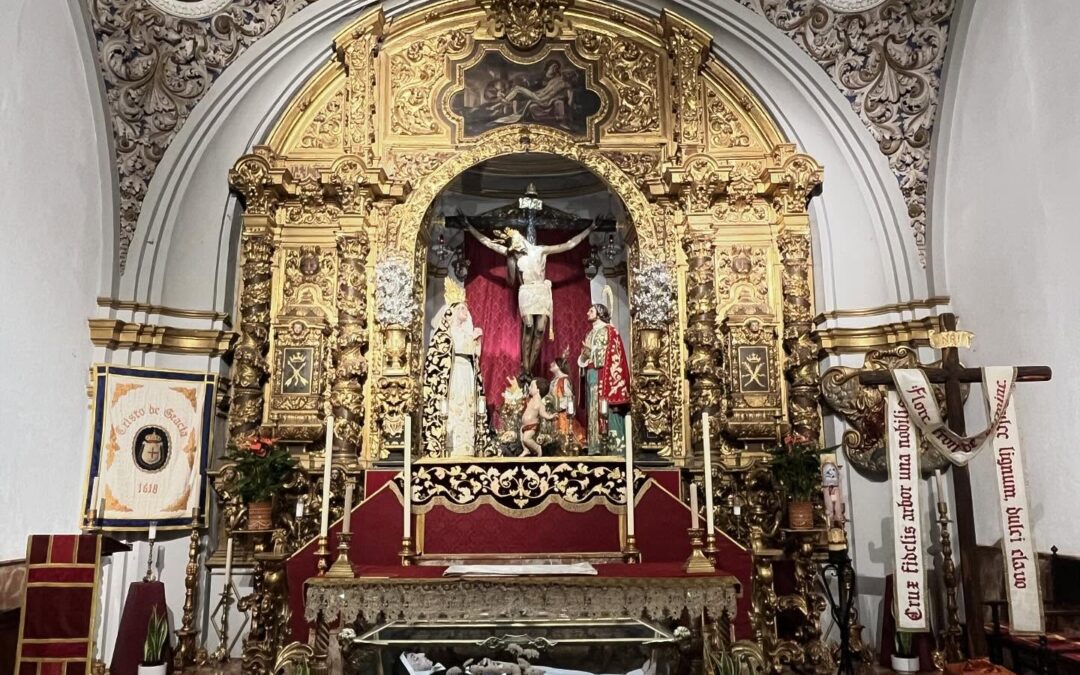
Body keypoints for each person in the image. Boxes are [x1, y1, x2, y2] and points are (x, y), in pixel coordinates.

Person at [467, 218, 596, 373]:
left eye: (515, 241)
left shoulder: (540, 250)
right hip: (526, 291)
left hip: (541, 292)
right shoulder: (515, 255)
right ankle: (526, 366)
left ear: (520, 237)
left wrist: (589, 229)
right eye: (512, 244)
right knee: (528, 326)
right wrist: (470, 228)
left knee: (540, 329)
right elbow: (489, 243)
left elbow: (568, 244)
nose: (515, 246)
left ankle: (528, 368)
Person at [422, 278, 493, 457]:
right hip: (454, 372)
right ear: (452, 312)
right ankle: (450, 446)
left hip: (467, 370)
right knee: (455, 404)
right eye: (461, 308)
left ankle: (469, 445)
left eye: (465, 308)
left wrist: (477, 341)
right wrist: (469, 340)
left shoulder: (467, 332)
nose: (465, 310)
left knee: (469, 406)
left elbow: (475, 355)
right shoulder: (446, 334)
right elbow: (441, 355)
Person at [577, 303, 631, 454]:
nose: (587, 313)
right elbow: (585, 357)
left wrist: (591, 353)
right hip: (591, 373)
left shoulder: (610, 331)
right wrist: (584, 357)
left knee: (606, 409)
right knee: (593, 408)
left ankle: (613, 447)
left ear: (600, 313)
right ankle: (595, 446)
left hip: (604, 376)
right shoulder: (589, 334)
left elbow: (613, 354)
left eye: (591, 310)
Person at [548, 355, 583, 454]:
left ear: (559, 366)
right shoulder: (553, 381)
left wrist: (559, 405)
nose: (551, 364)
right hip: (554, 415)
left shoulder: (564, 380)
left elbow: (569, 398)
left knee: (564, 436)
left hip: (563, 416)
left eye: (554, 363)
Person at [520, 377, 555, 457]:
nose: (529, 388)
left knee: (526, 439)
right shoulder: (530, 399)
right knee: (522, 438)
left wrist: (550, 417)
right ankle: (526, 450)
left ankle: (538, 448)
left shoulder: (540, 404)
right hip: (524, 425)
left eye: (532, 386)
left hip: (532, 426)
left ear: (538, 390)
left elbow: (543, 414)